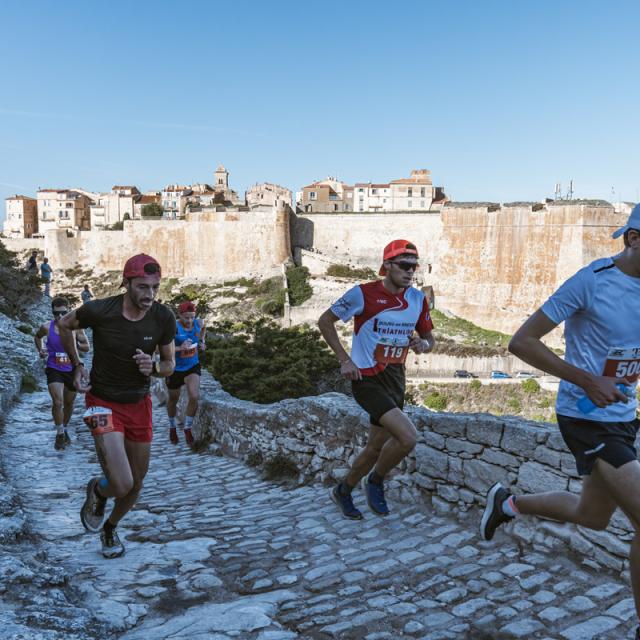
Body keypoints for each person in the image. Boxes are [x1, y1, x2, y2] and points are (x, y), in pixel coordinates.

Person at [480, 204, 640, 638]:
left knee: (592, 516)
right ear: (633, 239)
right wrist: (587, 380)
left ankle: (508, 504)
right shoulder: (592, 281)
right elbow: (522, 342)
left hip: (624, 417)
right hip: (584, 416)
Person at [57, 254, 176, 559]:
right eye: (142, 287)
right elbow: (64, 325)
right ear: (127, 284)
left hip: (139, 404)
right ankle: (98, 490)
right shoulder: (101, 310)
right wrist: (76, 365)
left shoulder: (163, 317)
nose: (149, 294)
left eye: (154, 287)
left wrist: (154, 367)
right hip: (102, 402)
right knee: (121, 482)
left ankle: (110, 527)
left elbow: (170, 365)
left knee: (136, 484)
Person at [318, 239, 435, 519]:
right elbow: (325, 321)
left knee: (373, 448)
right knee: (408, 438)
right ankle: (376, 481)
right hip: (366, 379)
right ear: (386, 266)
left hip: (396, 378)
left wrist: (423, 345)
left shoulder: (418, 300)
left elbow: (430, 339)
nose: (410, 272)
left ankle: (343, 490)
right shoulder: (362, 294)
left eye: (414, 267)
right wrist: (344, 360)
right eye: (405, 266)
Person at [34, 296, 90, 450]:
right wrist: (41, 350)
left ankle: (64, 428)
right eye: (56, 313)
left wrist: (73, 345)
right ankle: (59, 433)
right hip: (54, 368)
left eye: (63, 313)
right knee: (57, 402)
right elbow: (37, 337)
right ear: (52, 313)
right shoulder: (46, 327)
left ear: (68, 311)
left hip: (72, 368)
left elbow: (86, 347)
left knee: (69, 403)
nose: (59, 316)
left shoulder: (76, 328)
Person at [165, 300, 206, 447]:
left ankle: (187, 428)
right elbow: (159, 349)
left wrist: (202, 342)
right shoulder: (173, 327)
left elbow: (202, 331)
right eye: (186, 317)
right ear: (179, 315)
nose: (189, 321)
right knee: (173, 399)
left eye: (192, 317)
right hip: (174, 368)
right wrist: (179, 348)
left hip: (192, 366)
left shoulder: (198, 323)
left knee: (194, 396)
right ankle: (172, 426)